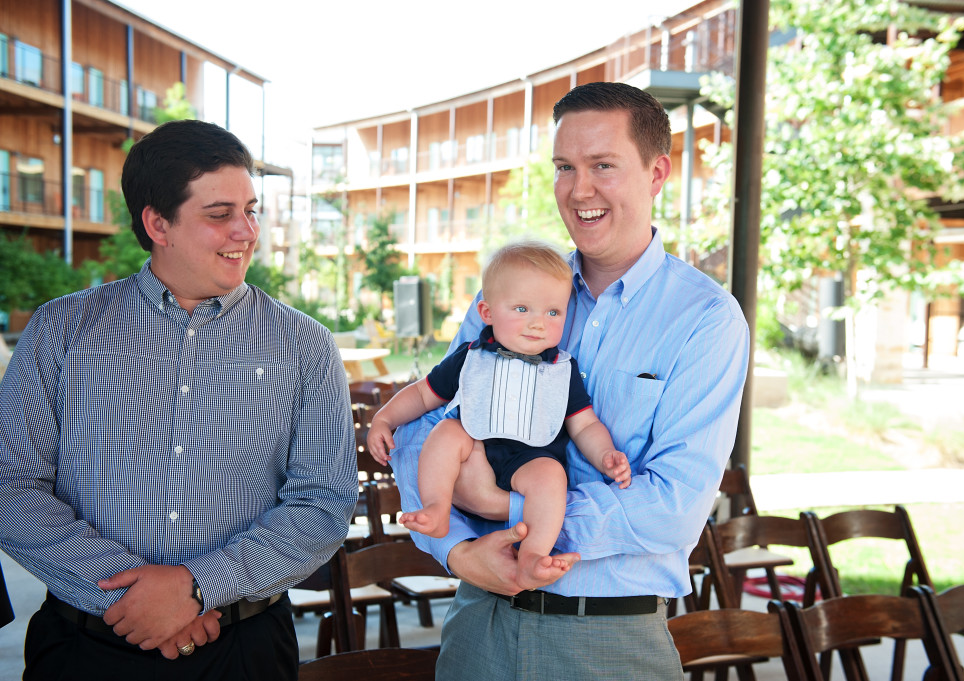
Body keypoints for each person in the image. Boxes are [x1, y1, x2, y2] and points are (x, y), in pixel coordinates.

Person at [388, 82, 750, 680]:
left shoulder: (705, 319)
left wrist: (503, 509)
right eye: (564, 167)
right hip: (481, 622)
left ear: (657, 172)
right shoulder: (507, 294)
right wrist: (456, 549)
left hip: (611, 641)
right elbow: (425, 429)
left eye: (602, 166)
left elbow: (675, 508)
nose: (579, 190)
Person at [0, 119, 357, 681]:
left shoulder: (303, 343)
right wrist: (137, 598)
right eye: (220, 214)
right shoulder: (61, 331)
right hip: (84, 650)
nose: (246, 230)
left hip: (247, 650)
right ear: (157, 223)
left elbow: (325, 503)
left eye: (252, 209)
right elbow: (12, 486)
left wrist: (194, 588)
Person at [366, 241, 630, 588]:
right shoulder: (471, 357)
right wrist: (384, 419)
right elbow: (422, 394)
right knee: (446, 432)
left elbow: (585, 424)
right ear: (487, 313)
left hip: (530, 459)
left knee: (552, 477)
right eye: (522, 308)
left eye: (553, 312)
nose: (539, 323)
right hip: (473, 448)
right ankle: (437, 506)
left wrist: (605, 454)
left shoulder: (562, 370)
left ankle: (534, 552)